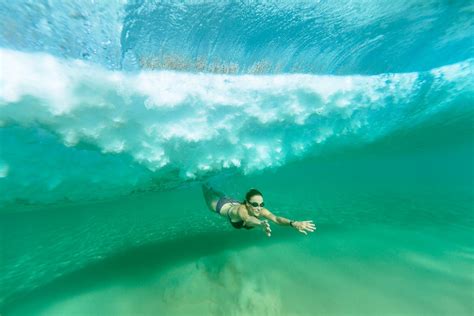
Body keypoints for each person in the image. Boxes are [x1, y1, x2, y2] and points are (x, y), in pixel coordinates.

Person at [202, 184, 316, 237]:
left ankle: (212, 188)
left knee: (224, 195)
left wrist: (293, 223)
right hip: (220, 206)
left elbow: (276, 219)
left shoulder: (260, 210)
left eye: (261, 204)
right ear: (247, 203)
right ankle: (204, 184)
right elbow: (248, 219)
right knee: (208, 196)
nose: (259, 207)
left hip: (233, 201)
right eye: (255, 204)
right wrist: (260, 224)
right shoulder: (241, 210)